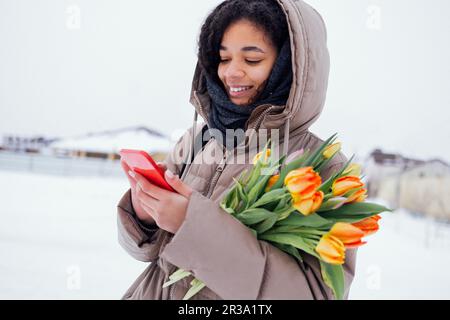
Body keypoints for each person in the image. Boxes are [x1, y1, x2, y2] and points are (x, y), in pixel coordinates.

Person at [117, 0, 356, 300]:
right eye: (223, 58)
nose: (231, 73)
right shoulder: (198, 139)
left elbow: (314, 294)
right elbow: (150, 252)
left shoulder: (325, 169)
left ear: (290, 65)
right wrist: (144, 215)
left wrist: (194, 227)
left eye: (252, 60)